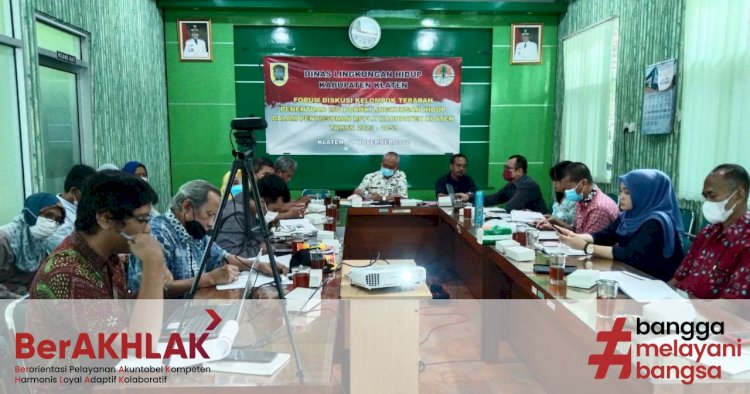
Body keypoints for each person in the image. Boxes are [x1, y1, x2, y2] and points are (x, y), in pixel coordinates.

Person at [127, 180, 287, 296]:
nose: (211, 224)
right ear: (187, 207)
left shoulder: (194, 229)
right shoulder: (158, 233)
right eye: (209, 215)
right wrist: (208, 279)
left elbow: (223, 257)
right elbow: (154, 290)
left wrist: (258, 265)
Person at [558, 169, 685, 281]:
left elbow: (628, 254)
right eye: (621, 191)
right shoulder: (628, 215)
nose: (621, 197)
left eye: (627, 192)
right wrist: (575, 236)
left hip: (654, 283)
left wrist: (586, 247)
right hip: (631, 275)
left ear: (644, 194)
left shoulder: (656, 222)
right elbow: (606, 235)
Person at [670, 164, 750, 298]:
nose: (707, 202)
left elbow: (733, 306)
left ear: (739, 196)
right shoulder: (707, 232)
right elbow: (678, 278)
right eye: (705, 196)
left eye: (712, 195)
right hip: (680, 305)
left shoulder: (746, 242)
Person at [0, 193, 64, 298]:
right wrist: (16, 299)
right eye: (48, 216)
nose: (52, 223)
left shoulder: (42, 244)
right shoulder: (4, 240)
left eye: (57, 220)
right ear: (32, 212)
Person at [216, 174, 293, 257]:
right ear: (261, 202)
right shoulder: (236, 216)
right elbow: (227, 253)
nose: (275, 214)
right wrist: (260, 249)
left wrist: (280, 243)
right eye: (274, 210)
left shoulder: (256, 212)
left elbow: (260, 238)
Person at [535, 162, 619, 234]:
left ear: (583, 183)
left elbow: (588, 242)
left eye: (568, 188)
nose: (566, 193)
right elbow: (575, 230)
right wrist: (553, 227)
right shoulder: (583, 199)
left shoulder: (599, 207)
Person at [476, 154, 547, 213]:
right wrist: (469, 197)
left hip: (541, 226)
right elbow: (494, 198)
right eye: (504, 168)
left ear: (519, 171)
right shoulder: (511, 184)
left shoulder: (529, 185)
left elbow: (511, 207)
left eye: (508, 168)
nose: (505, 171)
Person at [47, 164, 97, 248]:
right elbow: (64, 249)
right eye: (88, 194)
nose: (91, 198)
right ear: (74, 191)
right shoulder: (56, 215)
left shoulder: (80, 209)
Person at [546, 161, 577, 226]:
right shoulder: (560, 196)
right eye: (553, 180)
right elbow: (555, 217)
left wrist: (555, 221)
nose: (554, 183)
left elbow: (574, 228)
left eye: (557, 180)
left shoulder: (575, 197)